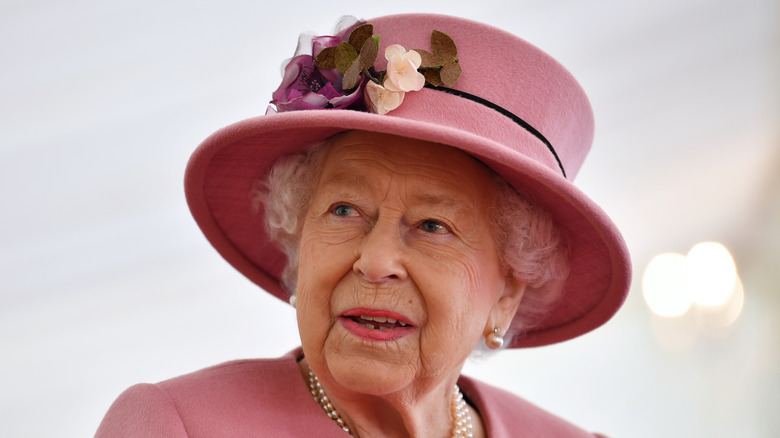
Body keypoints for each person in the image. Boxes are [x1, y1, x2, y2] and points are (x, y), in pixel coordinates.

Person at [96, 13, 630, 438]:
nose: (375, 262)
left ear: (507, 291)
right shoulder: (177, 427)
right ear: (299, 244)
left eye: (432, 225)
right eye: (345, 211)